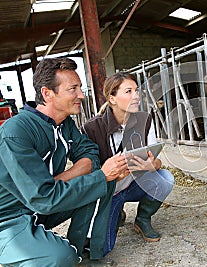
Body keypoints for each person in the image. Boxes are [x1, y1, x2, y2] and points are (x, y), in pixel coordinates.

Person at [0, 58, 128, 267]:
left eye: (80, 88)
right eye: (73, 89)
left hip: (40, 205)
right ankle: (17, 251)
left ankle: (84, 251)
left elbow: (89, 152)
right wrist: (97, 175)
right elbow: (43, 198)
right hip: (9, 217)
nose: (81, 95)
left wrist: (65, 178)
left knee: (101, 183)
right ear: (47, 93)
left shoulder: (64, 123)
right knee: (60, 258)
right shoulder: (15, 133)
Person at [81, 72, 175, 256]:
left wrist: (151, 166)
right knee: (100, 250)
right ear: (112, 99)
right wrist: (113, 174)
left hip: (134, 184)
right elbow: (89, 175)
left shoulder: (145, 120)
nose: (136, 95)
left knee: (165, 178)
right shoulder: (91, 129)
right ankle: (116, 213)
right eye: (128, 91)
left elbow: (156, 160)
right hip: (108, 192)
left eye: (136, 91)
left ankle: (142, 219)